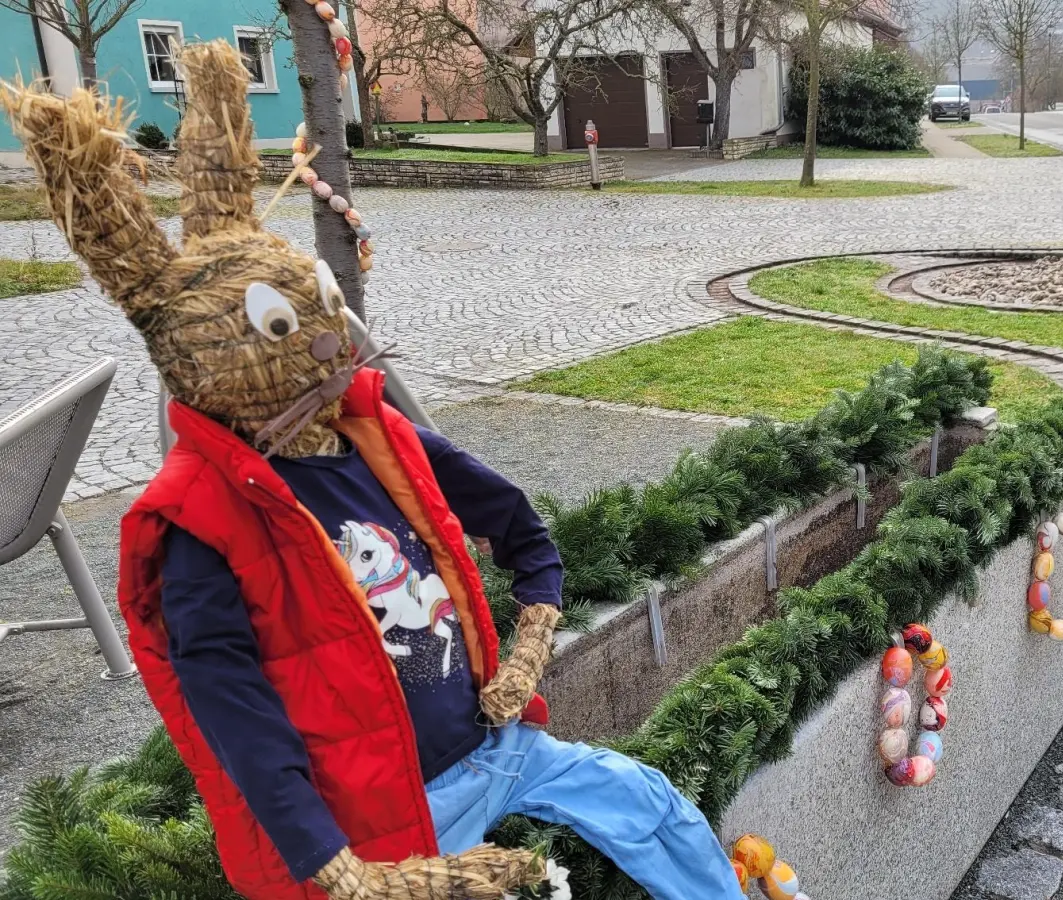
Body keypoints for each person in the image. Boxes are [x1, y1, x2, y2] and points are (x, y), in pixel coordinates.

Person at [2, 38, 743, 900]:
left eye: (320, 305)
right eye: (289, 328)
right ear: (198, 351)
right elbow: (239, 726)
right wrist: (347, 871)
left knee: (654, 807)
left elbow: (519, 527)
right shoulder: (199, 529)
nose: (329, 337)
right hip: (389, 815)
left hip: (501, 750)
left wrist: (529, 645)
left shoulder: (376, 438)